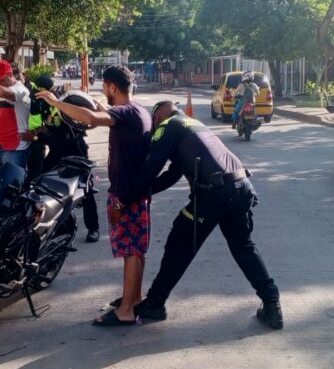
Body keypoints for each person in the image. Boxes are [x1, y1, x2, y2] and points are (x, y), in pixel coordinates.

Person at [114, 101, 283, 330]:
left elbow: (150, 168)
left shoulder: (168, 125)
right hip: (241, 187)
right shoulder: (194, 125)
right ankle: (272, 304)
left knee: (179, 243)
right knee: (243, 246)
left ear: (156, 118)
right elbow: (172, 175)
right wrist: (144, 193)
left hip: (214, 194)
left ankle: (155, 303)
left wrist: (124, 197)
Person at [36, 65, 152, 326]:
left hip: (126, 194)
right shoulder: (138, 112)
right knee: (137, 250)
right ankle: (132, 300)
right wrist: (101, 107)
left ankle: (125, 311)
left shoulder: (124, 113)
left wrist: (56, 102)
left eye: (104, 86)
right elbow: (108, 114)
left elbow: (90, 119)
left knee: (131, 251)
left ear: (113, 86)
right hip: (136, 191)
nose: (103, 90)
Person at [31, 76, 102, 242]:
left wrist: (46, 134)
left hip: (76, 154)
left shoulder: (67, 107)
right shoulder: (45, 107)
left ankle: (93, 228)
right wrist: (39, 134)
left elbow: (66, 137)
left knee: (86, 190)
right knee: (40, 184)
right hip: (56, 153)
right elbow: (47, 130)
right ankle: (50, 225)